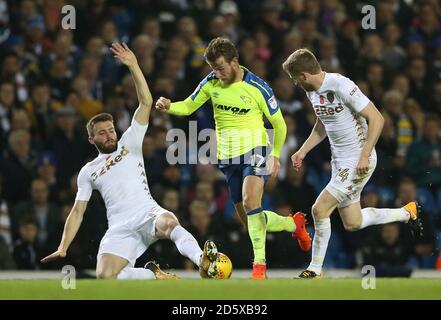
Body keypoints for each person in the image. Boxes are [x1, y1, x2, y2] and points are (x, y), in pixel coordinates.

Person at [41, 43, 219, 280]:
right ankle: (155, 277)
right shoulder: (88, 171)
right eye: (102, 133)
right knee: (106, 276)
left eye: (111, 129)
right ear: (91, 139)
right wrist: (63, 246)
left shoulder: (129, 143)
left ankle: (202, 261)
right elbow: (77, 212)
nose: (109, 135)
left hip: (147, 213)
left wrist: (134, 65)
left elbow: (145, 102)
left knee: (169, 222)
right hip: (119, 227)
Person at [155, 37, 311, 279]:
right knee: (250, 222)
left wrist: (276, 155)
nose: (217, 74)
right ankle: (294, 225)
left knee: (251, 202)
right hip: (227, 158)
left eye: (220, 68)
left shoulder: (258, 87)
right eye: (213, 69)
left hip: (256, 151)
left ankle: (259, 268)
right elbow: (187, 106)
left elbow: (279, 125)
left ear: (234, 61)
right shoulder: (211, 82)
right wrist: (168, 105)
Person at [282, 48, 423, 279]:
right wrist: (303, 151)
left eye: (295, 79)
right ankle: (407, 213)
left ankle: (315, 269)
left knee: (319, 209)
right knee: (353, 222)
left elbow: (377, 118)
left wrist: (365, 154)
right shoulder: (312, 92)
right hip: (340, 161)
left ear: (304, 75)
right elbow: (322, 124)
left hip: (358, 159)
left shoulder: (341, 85)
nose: (295, 84)